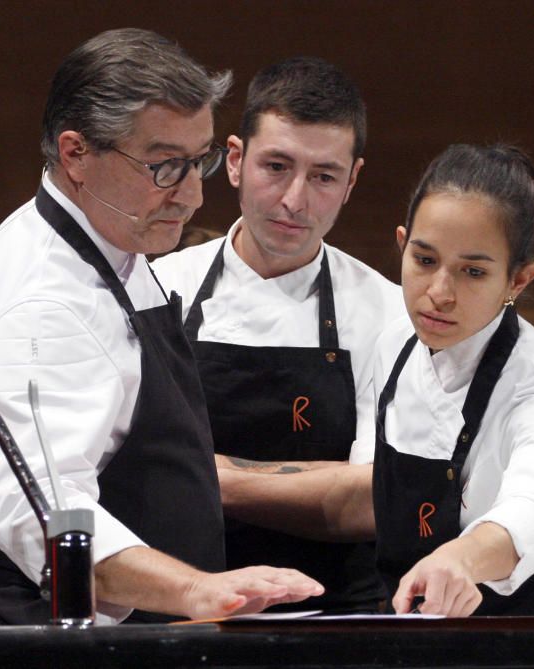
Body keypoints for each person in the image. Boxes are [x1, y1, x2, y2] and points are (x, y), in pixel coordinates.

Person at [0, 28, 322, 626]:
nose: (194, 195)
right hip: (61, 641)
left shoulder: (115, 244)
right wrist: (197, 590)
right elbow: (48, 519)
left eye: (200, 162)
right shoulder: (43, 303)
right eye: (165, 166)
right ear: (75, 154)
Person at [151, 57, 404, 612]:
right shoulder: (156, 293)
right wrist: (319, 482)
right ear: (236, 161)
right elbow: (121, 478)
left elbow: (374, 496)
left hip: (337, 617)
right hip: (180, 611)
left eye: (323, 176)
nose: (295, 200)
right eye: (277, 167)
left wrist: (195, 475)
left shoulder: (388, 313)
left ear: (352, 181)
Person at [372, 144, 534, 616]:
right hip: (412, 627)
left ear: (519, 280)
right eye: (425, 260)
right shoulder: (393, 343)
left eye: (473, 271)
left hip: (526, 638)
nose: (439, 294)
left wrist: (459, 558)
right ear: (401, 243)